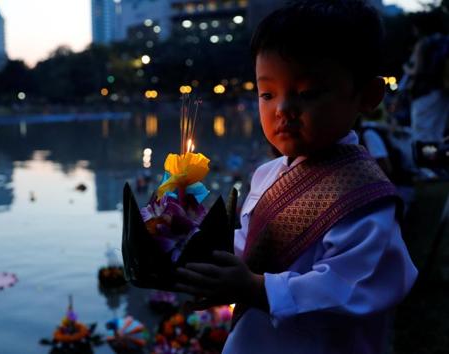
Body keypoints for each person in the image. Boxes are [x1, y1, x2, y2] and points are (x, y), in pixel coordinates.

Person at [174, 1, 418, 353]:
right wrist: (206, 267)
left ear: (367, 95)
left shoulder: (366, 196)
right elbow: (247, 249)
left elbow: (353, 287)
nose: (283, 109)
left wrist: (255, 289)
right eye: (267, 94)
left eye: (306, 93)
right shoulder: (266, 175)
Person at [403, 11, 449, 144]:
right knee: (437, 131)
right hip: (442, 91)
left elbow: (417, 70)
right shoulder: (443, 40)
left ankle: (424, 163)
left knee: (421, 131)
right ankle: (438, 161)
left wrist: (406, 69)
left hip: (424, 92)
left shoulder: (423, 44)